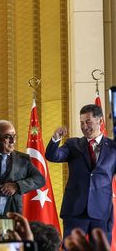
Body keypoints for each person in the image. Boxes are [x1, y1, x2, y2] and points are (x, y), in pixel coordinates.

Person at [45, 104, 116, 242]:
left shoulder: (113, 147)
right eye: (82, 122)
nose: (84, 126)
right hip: (74, 211)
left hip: (101, 212)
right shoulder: (73, 144)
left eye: (88, 122)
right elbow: (53, 156)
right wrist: (55, 139)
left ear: (100, 121)